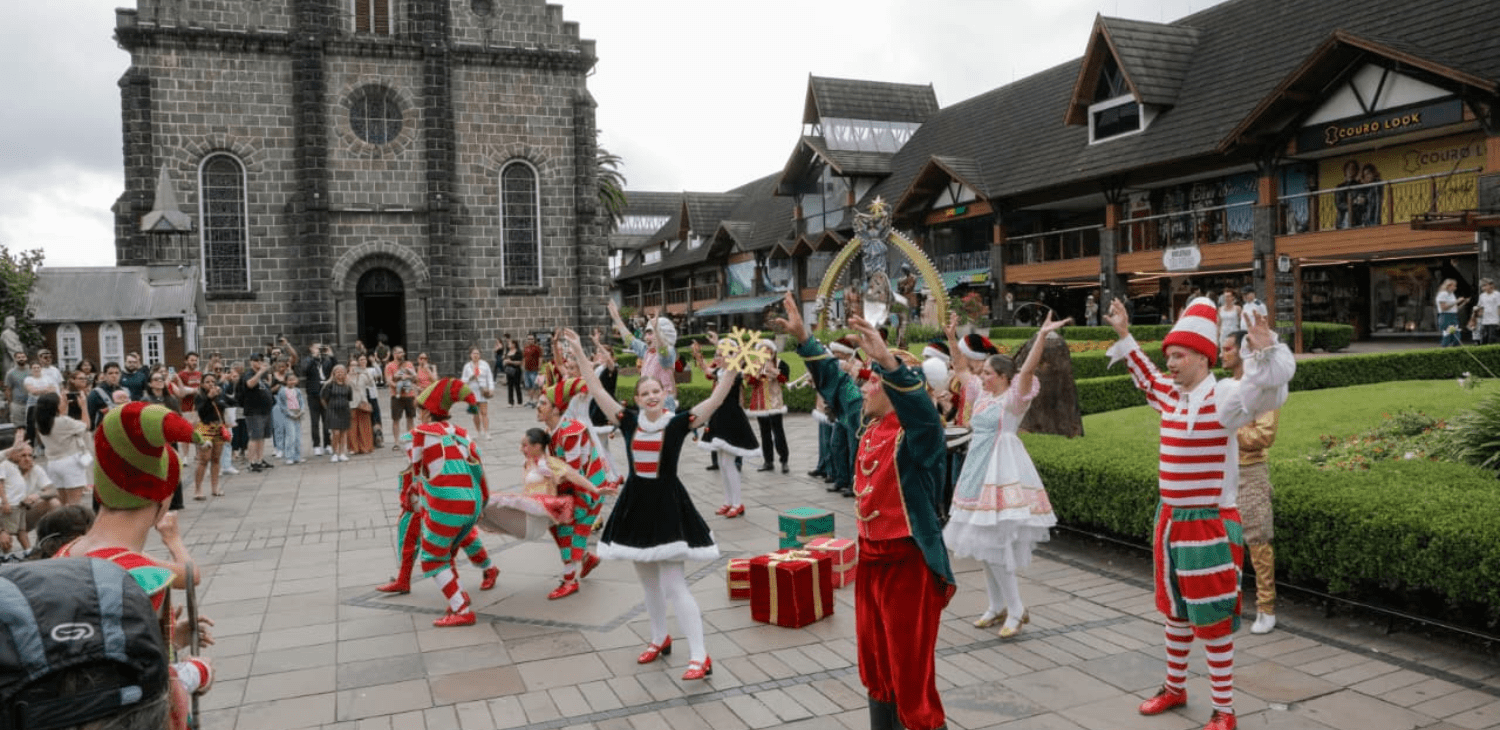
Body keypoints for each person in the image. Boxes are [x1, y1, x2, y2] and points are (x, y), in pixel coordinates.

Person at [1105, 296, 1295, 730]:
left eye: (1179, 355)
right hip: (1169, 520)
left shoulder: (1225, 395)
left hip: (1207, 523)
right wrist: (1123, 333)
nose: (1169, 363)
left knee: (1210, 618)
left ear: (1203, 358)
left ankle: (1224, 710)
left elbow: (1262, 390)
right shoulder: (1172, 395)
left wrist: (1264, 350)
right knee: (1174, 610)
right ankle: (1174, 687)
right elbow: (1145, 378)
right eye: (1169, 354)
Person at [771, 291, 956, 730]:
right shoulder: (868, 422)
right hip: (870, 563)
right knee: (875, 667)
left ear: (894, 391)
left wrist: (890, 367)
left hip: (908, 564)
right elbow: (836, 383)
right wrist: (805, 340)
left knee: (911, 675)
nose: (864, 385)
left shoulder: (917, 438)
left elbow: (926, 419)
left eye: (873, 381)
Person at [560, 327, 738, 681]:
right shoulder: (627, 421)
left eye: (656, 390)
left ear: (665, 392)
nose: (652, 396)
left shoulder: (677, 424)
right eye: (645, 393)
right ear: (638, 398)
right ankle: (659, 638)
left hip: (668, 507)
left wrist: (732, 366)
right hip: (636, 507)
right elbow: (595, 389)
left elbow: (716, 399)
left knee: (674, 584)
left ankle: (700, 655)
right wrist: (580, 351)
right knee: (647, 582)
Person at [51, 403, 216, 724]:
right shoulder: (142, 576)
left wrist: (172, 638)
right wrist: (195, 673)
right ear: (164, 496)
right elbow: (151, 686)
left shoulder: (67, 551)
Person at [945, 312, 1069, 640]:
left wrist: (1041, 336)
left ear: (1001, 376)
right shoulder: (982, 395)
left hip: (1002, 472)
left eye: (986, 372)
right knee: (983, 545)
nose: (980, 375)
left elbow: (1026, 369)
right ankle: (996, 605)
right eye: (982, 371)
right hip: (977, 471)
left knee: (998, 545)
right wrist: (951, 336)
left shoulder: (1013, 401)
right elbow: (960, 370)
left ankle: (1016, 610)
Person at [406, 378, 491, 627]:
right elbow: (479, 469)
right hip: (473, 504)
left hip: (447, 506)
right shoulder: (462, 434)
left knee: (432, 558)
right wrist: (484, 502)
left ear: (425, 411)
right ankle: (458, 594)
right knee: (449, 551)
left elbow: (415, 468)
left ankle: (461, 608)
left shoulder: (420, 434)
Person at [1221, 330, 1281, 635]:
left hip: (1250, 470)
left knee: (1257, 539)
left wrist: (1230, 430)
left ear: (1242, 352)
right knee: (1224, 540)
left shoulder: (1264, 388)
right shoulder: (1223, 387)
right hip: (1222, 470)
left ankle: (1266, 607)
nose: (1222, 354)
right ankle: (1227, 603)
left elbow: (1264, 435)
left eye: (1228, 348)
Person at [533, 377, 615, 599]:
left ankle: (570, 580)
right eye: (538, 403)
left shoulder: (571, 431)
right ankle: (587, 559)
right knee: (555, 523)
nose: (538, 407)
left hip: (589, 488)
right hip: (575, 487)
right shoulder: (551, 432)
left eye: (543, 403)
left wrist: (546, 480)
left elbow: (571, 472)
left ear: (556, 409)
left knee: (566, 528)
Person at [690, 339, 759, 517]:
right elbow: (707, 370)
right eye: (716, 354)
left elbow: (738, 364)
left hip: (731, 419)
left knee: (729, 463)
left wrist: (738, 353)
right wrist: (698, 355)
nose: (717, 358)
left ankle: (737, 503)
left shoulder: (733, 373)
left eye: (721, 354)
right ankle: (728, 501)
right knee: (722, 463)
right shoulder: (721, 372)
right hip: (719, 417)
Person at [607, 300, 679, 410]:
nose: (646, 337)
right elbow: (630, 340)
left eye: (650, 333)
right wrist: (617, 318)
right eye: (646, 333)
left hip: (663, 405)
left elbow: (663, 353)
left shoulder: (669, 351)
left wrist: (657, 331)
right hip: (647, 402)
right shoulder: (647, 351)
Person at [34, 392, 92, 508]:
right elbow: (86, 425)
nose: (64, 402)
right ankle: (75, 525)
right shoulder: (64, 422)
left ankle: (62, 525)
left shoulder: (41, 423)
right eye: (61, 401)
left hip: (53, 463)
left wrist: (64, 408)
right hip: (70, 463)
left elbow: (62, 420)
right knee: (74, 503)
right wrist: (84, 407)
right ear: (55, 406)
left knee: (63, 503)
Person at [0, 443, 58, 553]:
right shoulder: (5, 468)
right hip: (4, 515)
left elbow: (53, 491)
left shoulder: (35, 469)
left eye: (30, 455)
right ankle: (6, 555)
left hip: (21, 511)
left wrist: (38, 495)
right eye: (23, 456)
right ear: (15, 456)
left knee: (54, 503)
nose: (27, 459)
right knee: (5, 536)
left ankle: (39, 547)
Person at [745, 340, 791, 475]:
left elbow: (785, 380)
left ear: (773, 351)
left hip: (775, 402)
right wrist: (758, 372)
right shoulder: (754, 364)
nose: (765, 352)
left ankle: (784, 461)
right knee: (764, 432)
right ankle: (768, 461)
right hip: (760, 403)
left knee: (778, 431)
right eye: (762, 350)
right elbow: (750, 382)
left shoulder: (780, 362)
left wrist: (774, 372)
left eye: (768, 350)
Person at [193, 375, 232, 499]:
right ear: (202, 384)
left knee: (216, 459)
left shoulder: (219, 395)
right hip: (205, 427)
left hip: (218, 427)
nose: (210, 384)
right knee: (203, 460)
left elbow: (227, 406)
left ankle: (215, 487)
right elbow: (202, 412)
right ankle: (198, 489)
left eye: (213, 382)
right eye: (207, 382)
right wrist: (209, 397)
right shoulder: (200, 396)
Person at [239, 353, 276, 472]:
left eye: (261, 360)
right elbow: (249, 384)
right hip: (254, 411)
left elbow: (267, 387)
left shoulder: (263, 375)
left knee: (262, 437)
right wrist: (260, 372)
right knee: (254, 437)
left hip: (265, 410)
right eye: (256, 360)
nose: (259, 362)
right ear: (251, 362)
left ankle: (260, 460)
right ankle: (252, 462)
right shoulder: (249, 374)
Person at [299, 342, 336, 455]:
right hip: (313, 394)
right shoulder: (307, 359)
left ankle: (327, 444)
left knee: (326, 420)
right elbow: (304, 370)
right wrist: (313, 358)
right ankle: (316, 445)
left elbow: (336, 368)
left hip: (325, 392)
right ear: (310, 349)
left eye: (320, 347)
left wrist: (331, 355)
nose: (318, 349)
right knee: (315, 421)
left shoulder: (326, 360)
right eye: (316, 347)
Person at [321, 364, 354, 463]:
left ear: (345, 374)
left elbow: (349, 398)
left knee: (344, 433)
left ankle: (342, 453)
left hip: (344, 411)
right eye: (338, 372)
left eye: (342, 372)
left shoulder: (347, 386)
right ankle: (335, 453)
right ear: (334, 373)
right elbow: (323, 399)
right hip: (333, 411)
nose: (340, 374)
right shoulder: (329, 385)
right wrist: (327, 408)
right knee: (336, 433)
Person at [386, 346, 419, 441]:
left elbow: (415, 378)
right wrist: (399, 386)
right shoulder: (389, 366)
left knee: (410, 418)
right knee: (396, 419)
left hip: (409, 395)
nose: (402, 354)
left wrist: (407, 378)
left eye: (403, 352)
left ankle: (410, 439)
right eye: (400, 352)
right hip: (396, 396)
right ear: (394, 354)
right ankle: (396, 441)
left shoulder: (409, 364)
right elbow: (389, 380)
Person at [462, 347, 495, 439]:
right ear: (470, 355)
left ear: (480, 355)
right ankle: (478, 432)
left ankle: (486, 432)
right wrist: (469, 378)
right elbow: (462, 380)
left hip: (482, 391)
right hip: (472, 392)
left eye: (477, 353)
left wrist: (491, 388)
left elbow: (490, 378)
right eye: (473, 353)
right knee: (475, 413)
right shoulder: (467, 366)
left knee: (484, 412)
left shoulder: (485, 365)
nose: (475, 355)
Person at [346, 357, 376, 455]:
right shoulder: (346, 377)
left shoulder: (363, 375)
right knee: (352, 428)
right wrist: (349, 376)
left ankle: (366, 447)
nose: (354, 367)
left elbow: (371, 384)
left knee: (365, 427)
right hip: (351, 404)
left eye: (356, 365)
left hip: (363, 403)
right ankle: (354, 448)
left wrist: (365, 371)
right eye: (352, 365)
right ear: (348, 366)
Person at [277, 372, 306, 465]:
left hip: (298, 414)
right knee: (291, 436)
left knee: (298, 436)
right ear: (285, 381)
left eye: (293, 379)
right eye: (289, 380)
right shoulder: (282, 391)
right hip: (288, 415)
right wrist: (289, 413)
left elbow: (301, 401)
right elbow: (281, 404)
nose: (292, 382)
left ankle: (297, 456)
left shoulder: (297, 390)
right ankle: (289, 456)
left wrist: (301, 411)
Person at [1436, 278, 1468, 348]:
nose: (1455, 288)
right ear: (1448, 286)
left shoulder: (1451, 294)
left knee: (1456, 336)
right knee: (1449, 335)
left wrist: (1463, 303)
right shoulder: (1443, 294)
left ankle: (1452, 351)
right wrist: (1457, 301)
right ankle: (1444, 350)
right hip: (1446, 317)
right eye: (1453, 286)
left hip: (1453, 316)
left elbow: (1454, 308)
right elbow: (1443, 308)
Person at [4, 350, 27, 427]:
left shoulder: (32, 370)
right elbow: (8, 390)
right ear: (15, 359)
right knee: (19, 427)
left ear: (26, 358)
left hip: (31, 403)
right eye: (19, 357)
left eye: (23, 357)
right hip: (17, 404)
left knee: (32, 427)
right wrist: (10, 404)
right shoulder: (10, 373)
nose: (21, 359)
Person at [522, 334, 544, 408]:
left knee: (535, 386)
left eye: (531, 339)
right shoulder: (526, 348)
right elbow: (524, 357)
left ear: (534, 340)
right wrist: (523, 366)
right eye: (529, 339)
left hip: (534, 370)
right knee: (528, 386)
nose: (530, 340)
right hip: (527, 370)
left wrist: (539, 368)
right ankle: (530, 400)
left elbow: (540, 358)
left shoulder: (537, 348)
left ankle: (537, 400)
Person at [1475, 278, 1499, 346]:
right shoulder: (1482, 296)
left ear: (1491, 285)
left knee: (1492, 339)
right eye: (1482, 286)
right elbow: (1480, 307)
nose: (1483, 288)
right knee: (1484, 339)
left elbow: (1499, 307)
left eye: (1485, 285)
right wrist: (1478, 312)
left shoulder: (1497, 294)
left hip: (1494, 321)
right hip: (1485, 321)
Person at [502, 335, 525, 407]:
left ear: (514, 344)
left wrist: (511, 362)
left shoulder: (518, 352)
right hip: (509, 370)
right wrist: (505, 361)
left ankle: (519, 402)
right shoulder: (508, 351)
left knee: (517, 385)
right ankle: (511, 402)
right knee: (510, 386)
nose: (509, 344)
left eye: (510, 343)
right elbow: (505, 359)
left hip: (516, 370)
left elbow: (520, 362)